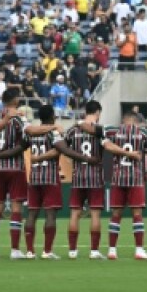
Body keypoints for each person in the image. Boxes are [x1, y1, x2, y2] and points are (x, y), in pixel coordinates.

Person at [25, 104, 83, 259]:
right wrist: (83, 158)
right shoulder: (53, 133)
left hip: (34, 177)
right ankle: (47, 251)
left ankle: (30, 251)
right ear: (51, 116)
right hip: (50, 177)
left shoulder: (33, 133)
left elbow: (22, 145)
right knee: (50, 214)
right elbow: (63, 149)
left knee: (32, 214)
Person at [0, 89, 29, 260]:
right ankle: (15, 250)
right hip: (15, 167)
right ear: (15, 99)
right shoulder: (19, 118)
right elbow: (24, 143)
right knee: (16, 208)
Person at [104, 111, 147, 260]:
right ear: (135, 120)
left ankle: (112, 250)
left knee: (116, 215)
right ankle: (139, 250)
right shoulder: (143, 132)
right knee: (137, 214)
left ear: (124, 120)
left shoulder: (113, 131)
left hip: (118, 178)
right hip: (136, 178)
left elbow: (105, 143)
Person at [65, 100, 107, 259]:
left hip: (78, 176)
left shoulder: (72, 130)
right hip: (95, 176)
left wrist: (72, 161)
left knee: (74, 213)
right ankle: (94, 251)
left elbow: (63, 148)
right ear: (97, 113)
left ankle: (72, 251)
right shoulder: (99, 130)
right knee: (95, 214)